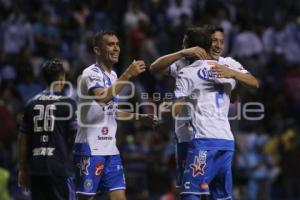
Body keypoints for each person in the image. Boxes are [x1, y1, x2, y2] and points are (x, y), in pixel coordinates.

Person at [150, 25, 259, 191]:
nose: (218, 45)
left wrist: (233, 74)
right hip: (187, 136)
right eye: (214, 40)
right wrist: (182, 53)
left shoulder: (228, 64)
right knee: (193, 188)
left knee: (192, 190)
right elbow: (154, 68)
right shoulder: (183, 63)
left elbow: (253, 83)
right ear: (205, 44)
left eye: (222, 41)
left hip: (202, 136)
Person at [73, 30, 155, 200]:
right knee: (85, 198)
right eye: (110, 44)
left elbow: (111, 110)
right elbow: (103, 98)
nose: (116, 48)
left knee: (119, 197)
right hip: (90, 149)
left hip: (110, 150)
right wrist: (128, 74)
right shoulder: (90, 73)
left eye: (117, 44)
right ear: (97, 50)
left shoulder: (113, 75)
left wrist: (139, 117)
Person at [18, 58, 77, 200]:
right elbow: (76, 137)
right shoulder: (68, 103)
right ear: (62, 78)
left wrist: (23, 169)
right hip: (59, 168)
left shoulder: (30, 103)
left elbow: (22, 139)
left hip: (36, 169)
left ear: (44, 79)